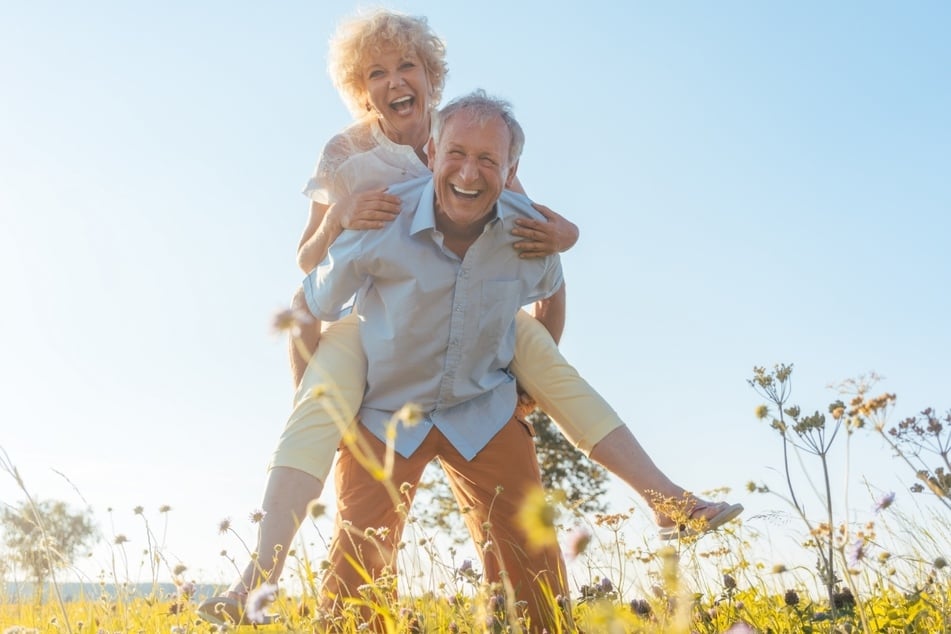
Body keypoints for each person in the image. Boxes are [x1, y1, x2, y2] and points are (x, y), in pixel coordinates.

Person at [197, 9, 742, 627]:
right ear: (361, 90)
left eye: (408, 65)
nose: (395, 79)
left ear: (432, 77)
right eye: (376, 72)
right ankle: (256, 578)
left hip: (477, 373)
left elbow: (532, 227)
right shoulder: (353, 161)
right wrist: (339, 216)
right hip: (382, 349)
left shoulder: (469, 142)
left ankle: (662, 496)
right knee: (340, 508)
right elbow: (306, 275)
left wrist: (564, 243)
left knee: (547, 375)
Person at [308, 91, 573, 630]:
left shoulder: (526, 230)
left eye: (488, 160)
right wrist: (323, 416)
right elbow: (310, 304)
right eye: (456, 153)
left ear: (511, 169)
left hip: (482, 405)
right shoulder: (382, 215)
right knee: (357, 568)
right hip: (386, 410)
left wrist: (529, 391)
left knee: (533, 565)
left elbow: (552, 287)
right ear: (432, 151)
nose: (469, 173)